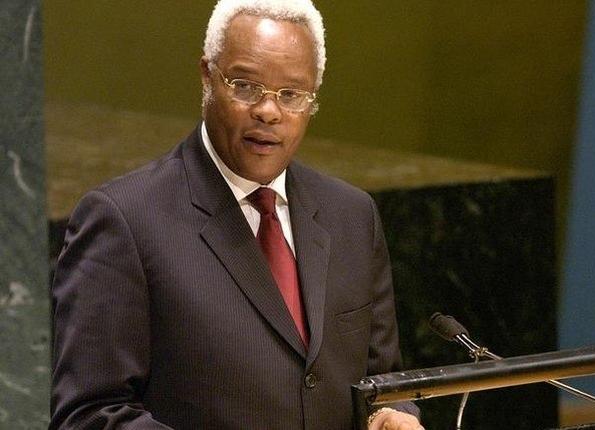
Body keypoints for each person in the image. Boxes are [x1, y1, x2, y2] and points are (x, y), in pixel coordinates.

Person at [49, 0, 422, 429]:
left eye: (291, 95)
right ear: (207, 77)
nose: (269, 111)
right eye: (245, 86)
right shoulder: (124, 220)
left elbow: (385, 378)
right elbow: (89, 415)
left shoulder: (352, 215)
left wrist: (395, 412)